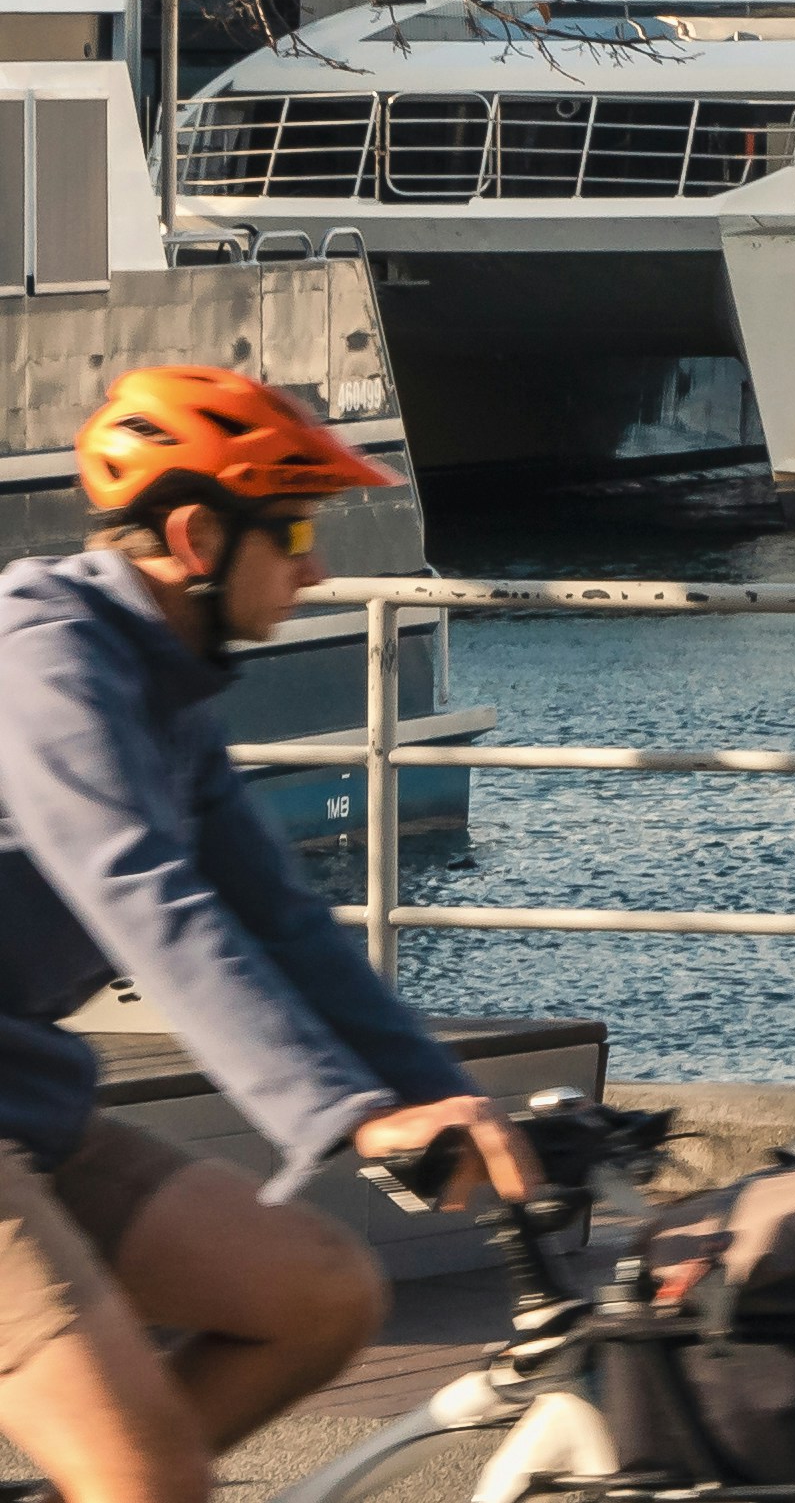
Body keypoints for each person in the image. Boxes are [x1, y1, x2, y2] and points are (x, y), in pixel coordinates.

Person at [0, 368, 539, 1503]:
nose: (317, 567)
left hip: (21, 1095)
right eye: (291, 529)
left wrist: (438, 1100)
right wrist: (343, 1113)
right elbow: (142, 890)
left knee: (321, 1295)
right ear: (197, 534)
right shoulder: (44, 659)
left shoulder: (168, 696)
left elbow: (285, 920)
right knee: (150, 1478)